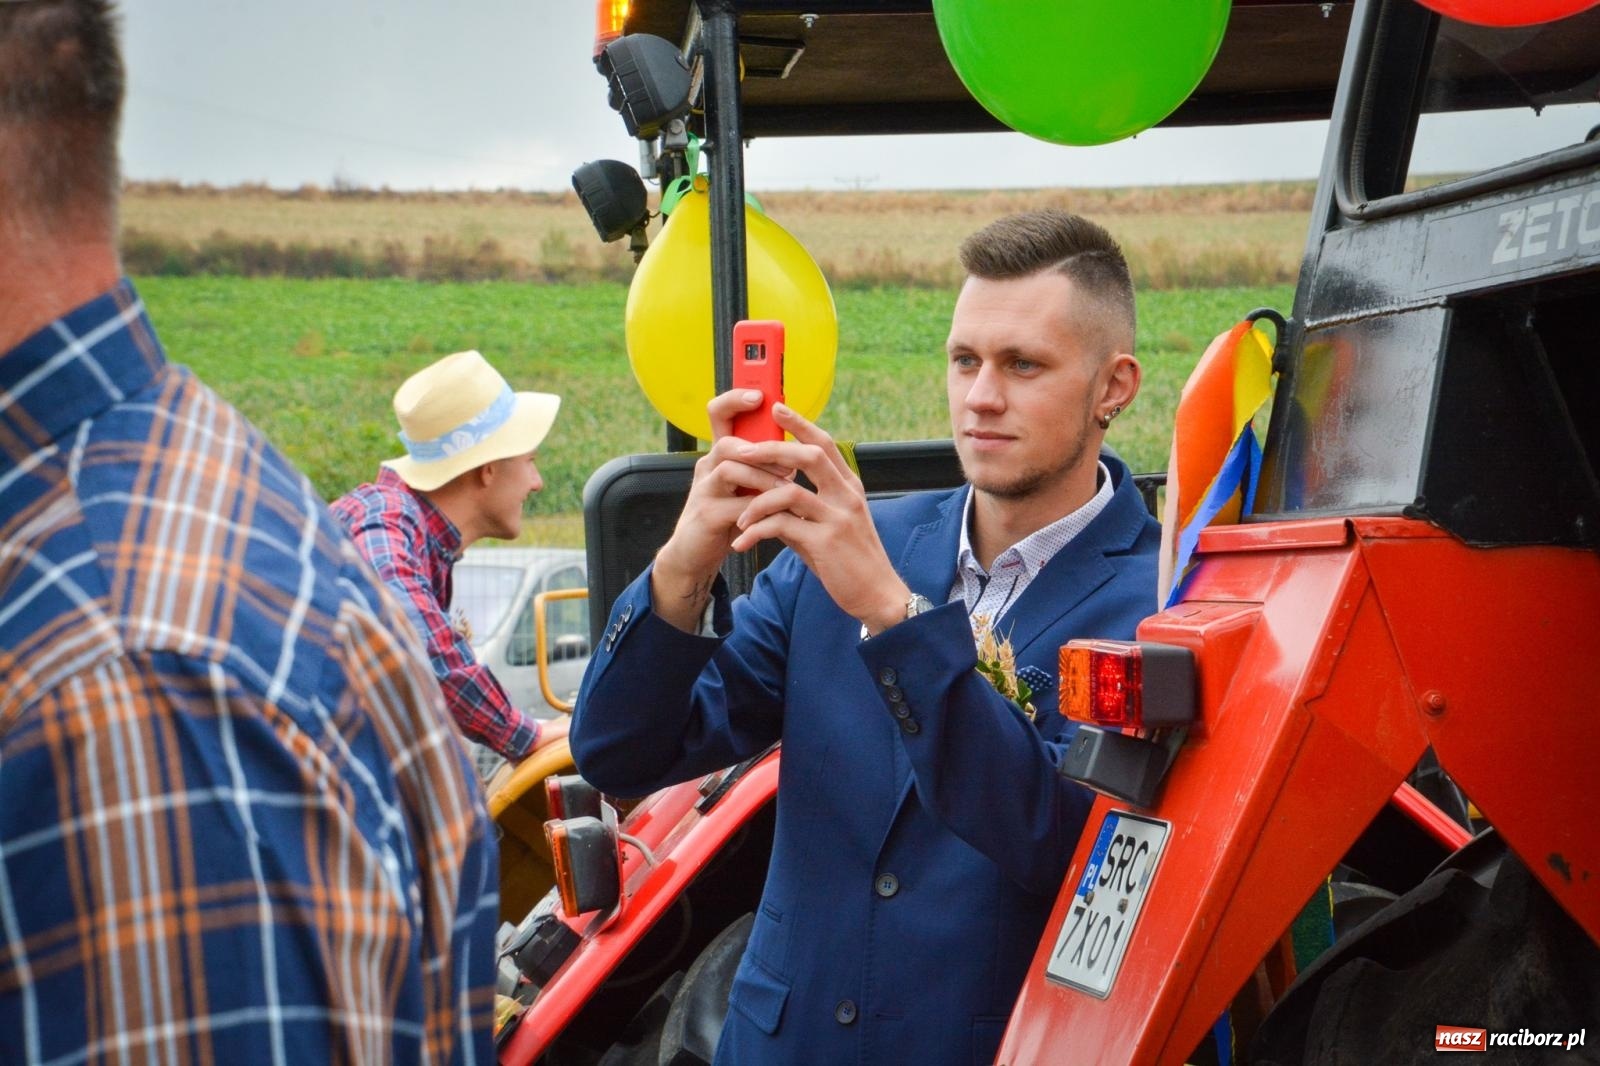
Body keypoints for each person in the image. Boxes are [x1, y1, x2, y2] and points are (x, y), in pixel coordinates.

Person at [0, 3, 497, 1063]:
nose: (540, 474)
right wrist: (526, 734)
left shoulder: (120, 674)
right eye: (523, 454)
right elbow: (439, 654)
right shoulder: (161, 569)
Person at [571, 209, 1159, 1065]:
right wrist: (682, 569)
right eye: (965, 361)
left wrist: (894, 615)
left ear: (1115, 385)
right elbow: (622, 753)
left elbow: (1069, 847)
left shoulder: (1165, 603)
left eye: (1023, 364)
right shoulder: (833, 551)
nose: (981, 396)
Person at [331, 349, 566, 767]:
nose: (537, 482)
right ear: (488, 469)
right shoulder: (385, 519)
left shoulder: (409, 535)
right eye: (529, 461)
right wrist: (521, 734)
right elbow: (412, 636)